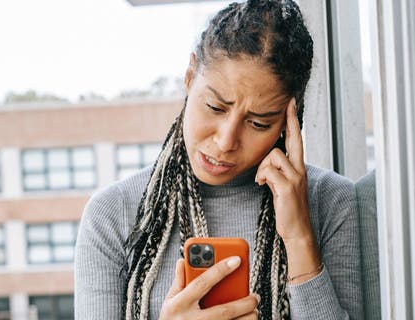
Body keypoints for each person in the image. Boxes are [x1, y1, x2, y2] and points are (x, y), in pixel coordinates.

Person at [74, 1, 363, 319]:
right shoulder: (113, 214)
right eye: (215, 107)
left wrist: (299, 238)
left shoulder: (331, 201)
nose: (226, 142)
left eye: (258, 123)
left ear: (288, 119)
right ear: (189, 77)